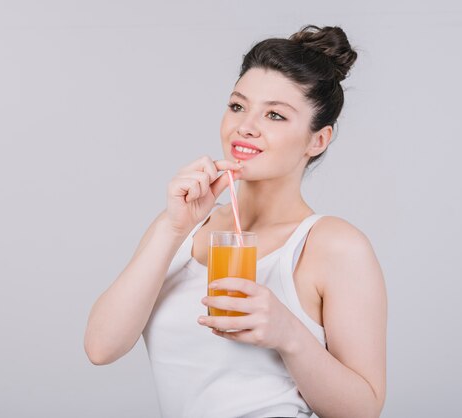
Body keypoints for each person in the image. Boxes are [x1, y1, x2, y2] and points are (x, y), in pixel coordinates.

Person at [84, 25, 387, 418]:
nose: (245, 126)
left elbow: (364, 409)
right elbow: (101, 348)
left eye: (275, 115)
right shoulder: (182, 225)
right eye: (238, 106)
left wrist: (289, 335)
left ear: (318, 140)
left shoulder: (333, 246)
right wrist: (172, 229)